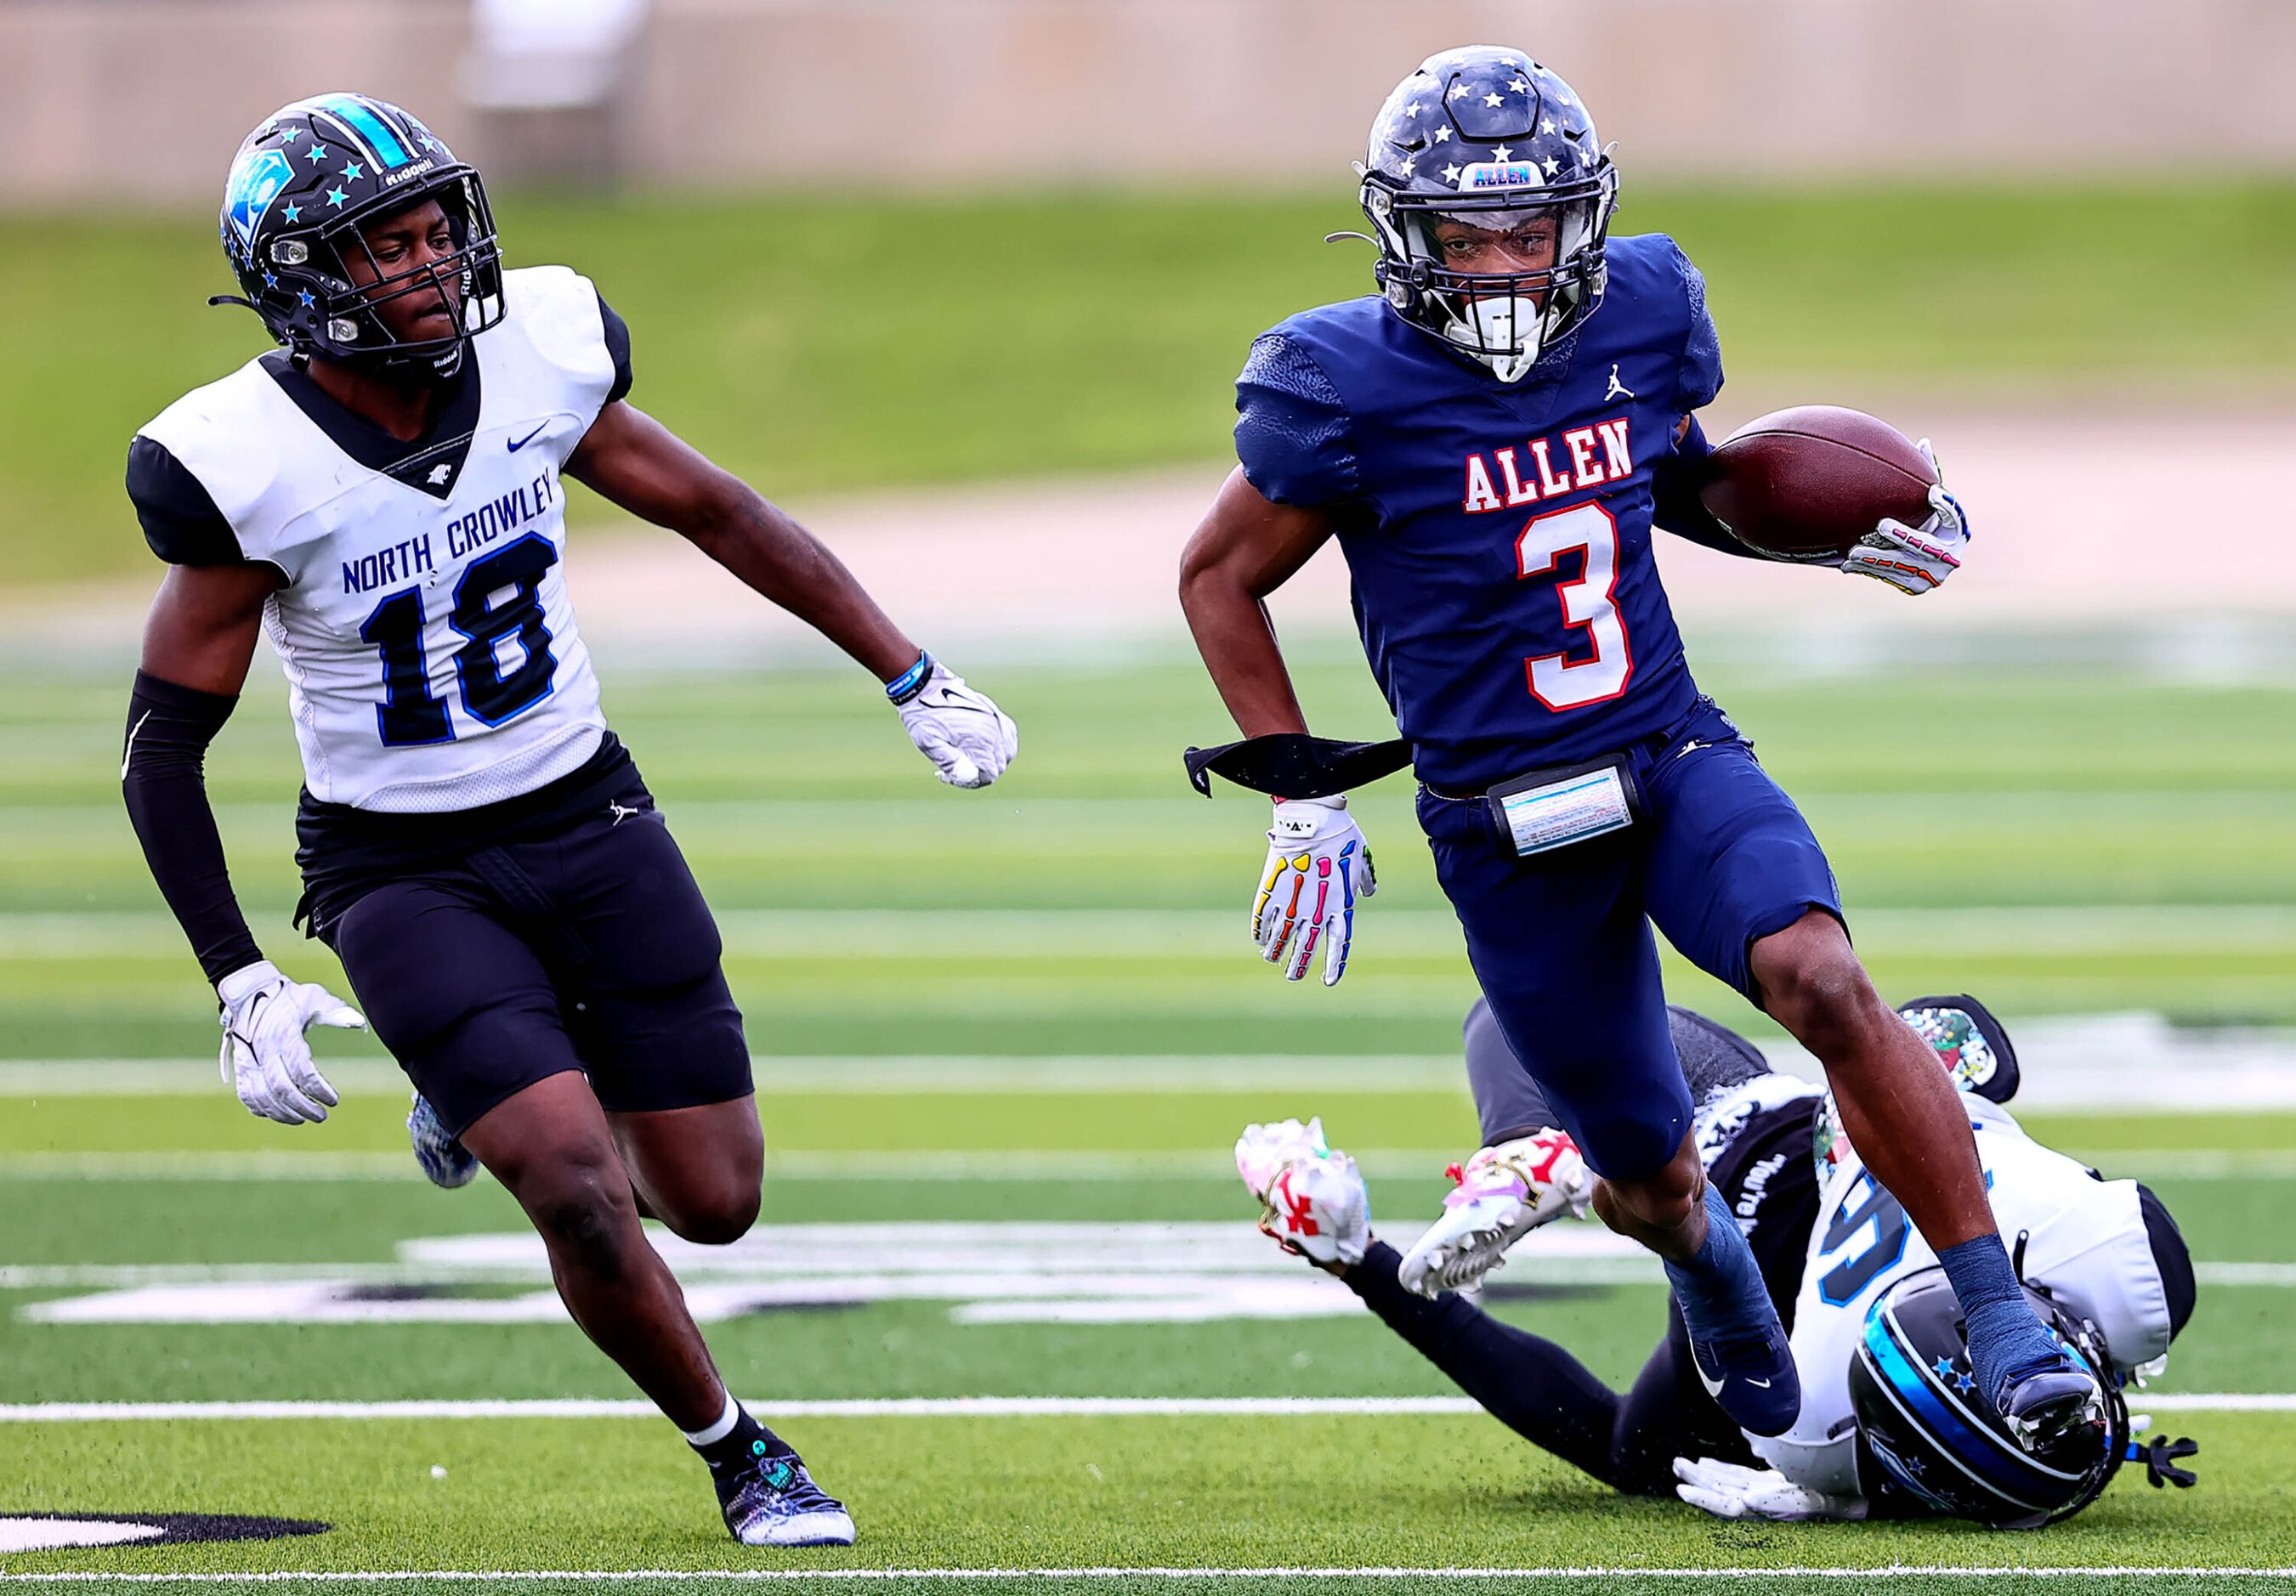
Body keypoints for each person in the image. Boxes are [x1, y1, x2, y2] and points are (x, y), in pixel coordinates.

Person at [119, 94, 1018, 1548]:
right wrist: (238, 974)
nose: (426, 264)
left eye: (431, 229)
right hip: (398, 862)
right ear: (298, 277)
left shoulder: (539, 348)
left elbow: (719, 511)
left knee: (713, 1201)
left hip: (588, 807)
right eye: (381, 247)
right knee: (577, 1190)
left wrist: (909, 672)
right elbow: (165, 742)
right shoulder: (240, 459)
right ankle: (741, 1451)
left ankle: (481, 1074)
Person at [1175, 42, 2096, 1444]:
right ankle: (1713, 1271)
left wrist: (1819, 538)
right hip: (1497, 821)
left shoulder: (1642, 311)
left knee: (1821, 975)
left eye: (1527, 230)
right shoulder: (1339, 384)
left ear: (1581, 223)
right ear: (1399, 236)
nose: (1498, 266)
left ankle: (2000, 1310)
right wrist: (1297, 790)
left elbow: (1656, 481)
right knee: (1648, 1173)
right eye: (1463, 237)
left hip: (1667, 754)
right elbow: (1216, 575)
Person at [1235, 995, 2201, 1525]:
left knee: (1523, 1007)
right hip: (1745, 1204)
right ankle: (1356, 1245)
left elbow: (1958, 1034)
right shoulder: (1815, 1433)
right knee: (1630, 1451)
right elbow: (1948, 1032)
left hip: (1743, 1119)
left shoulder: (2091, 1251)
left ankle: (1528, 1149)